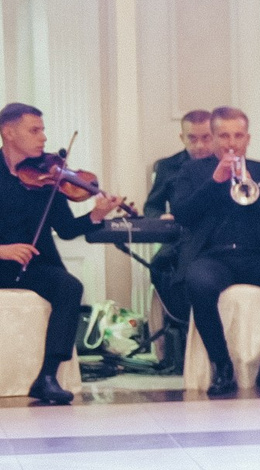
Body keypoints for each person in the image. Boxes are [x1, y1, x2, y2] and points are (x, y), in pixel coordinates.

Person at [171, 108, 260, 397]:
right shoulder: (192, 171)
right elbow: (183, 214)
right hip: (212, 257)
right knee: (199, 285)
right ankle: (221, 366)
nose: (231, 143)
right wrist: (216, 182)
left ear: (247, 139)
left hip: (257, 256)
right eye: (224, 135)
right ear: (212, 138)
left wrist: (254, 189)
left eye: (238, 135)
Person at [0, 103, 136, 405]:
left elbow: (65, 229)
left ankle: (47, 376)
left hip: (35, 265)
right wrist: (3, 251)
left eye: (43, 130)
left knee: (70, 286)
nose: (44, 138)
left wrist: (96, 215)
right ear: (8, 133)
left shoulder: (47, 177)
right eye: (35, 130)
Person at [142, 110, 216, 369]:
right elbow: (150, 207)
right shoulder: (168, 166)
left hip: (218, 240)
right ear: (181, 137)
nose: (200, 145)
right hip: (180, 238)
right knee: (160, 266)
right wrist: (161, 216)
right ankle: (184, 328)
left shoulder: (227, 164)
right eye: (192, 138)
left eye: (206, 138)